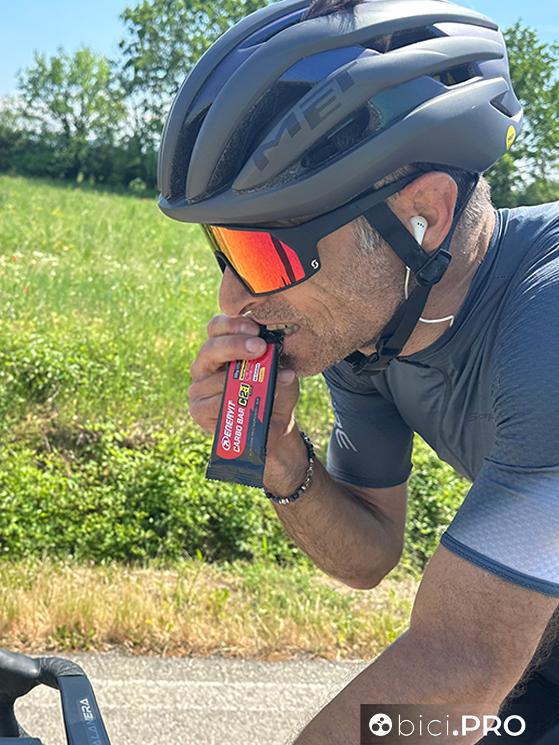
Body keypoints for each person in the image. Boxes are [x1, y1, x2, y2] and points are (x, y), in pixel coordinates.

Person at [157, 0, 559, 741]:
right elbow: (369, 553)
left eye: (265, 253)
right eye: (224, 249)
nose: (232, 299)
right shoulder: (372, 332)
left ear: (424, 214)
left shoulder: (550, 315)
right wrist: (281, 457)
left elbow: (461, 665)